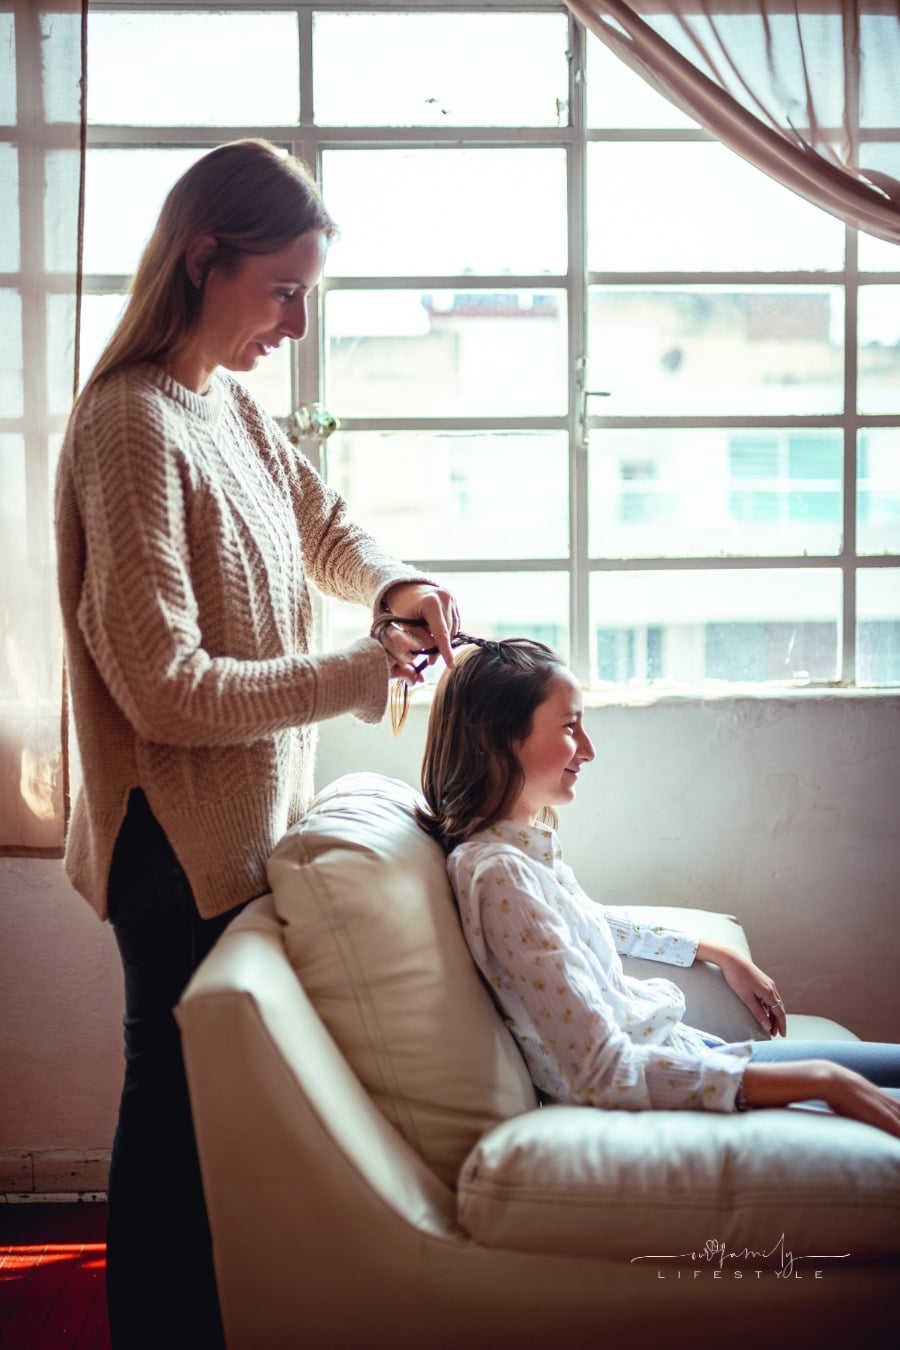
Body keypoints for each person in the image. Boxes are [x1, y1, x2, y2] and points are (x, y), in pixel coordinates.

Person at [55, 138, 459, 1350]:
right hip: (170, 845)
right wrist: (356, 673)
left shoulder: (225, 401)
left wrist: (395, 582)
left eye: (305, 294)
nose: (294, 322)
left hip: (240, 829)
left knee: (220, 1119)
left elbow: (324, 522)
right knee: (175, 1119)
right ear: (202, 260)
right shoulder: (132, 426)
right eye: (281, 291)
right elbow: (166, 692)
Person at [416, 636, 900, 1137]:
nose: (588, 749)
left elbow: (590, 920)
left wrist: (714, 952)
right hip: (680, 1083)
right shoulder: (499, 875)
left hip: (692, 1050)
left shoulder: (520, 852)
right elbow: (603, 1073)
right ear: (499, 739)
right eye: (569, 726)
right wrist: (820, 1082)